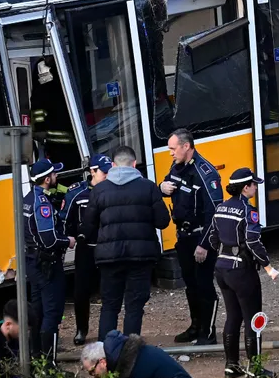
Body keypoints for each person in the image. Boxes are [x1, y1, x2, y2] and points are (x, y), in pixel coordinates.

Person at [83, 146, 171, 338]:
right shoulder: (148, 187)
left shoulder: (99, 190)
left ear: (113, 166)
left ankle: (106, 350)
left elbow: (88, 227)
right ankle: (131, 350)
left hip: (109, 257)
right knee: (134, 307)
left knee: (109, 306)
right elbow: (163, 221)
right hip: (141, 256)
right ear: (134, 164)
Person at [206, 168, 279, 378]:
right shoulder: (248, 210)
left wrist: (225, 252)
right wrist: (268, 266)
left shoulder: (220, 208)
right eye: (254, 184)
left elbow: (212, 238)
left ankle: (231, 366)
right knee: (253, 319)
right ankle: (255, 369)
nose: (256, 187)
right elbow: (253, 241)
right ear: (246, 187)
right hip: (241, 270)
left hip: (222, 268)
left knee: (233, 316)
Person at [160, 129, 221, 345]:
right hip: (183, 236)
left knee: (204, 285)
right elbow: (168, 185)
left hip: (201, 237)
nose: (170, 153)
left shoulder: (206, 173)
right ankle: (195, 326)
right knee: (191, 285)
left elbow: (214, 213)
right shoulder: (177, 167)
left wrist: (204, 244)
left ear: (186, 146)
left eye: (173, 148)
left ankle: (208, 332)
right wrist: (161, 187)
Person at [22, 158, 70, 360]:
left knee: (38, 310)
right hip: (46, 264)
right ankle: (49, 365)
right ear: (47, 179)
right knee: (52, 312)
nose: (57, 176)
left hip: (32, 262)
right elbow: (49, 239)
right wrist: (68, 241)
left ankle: (36, 357)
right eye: (54, 174)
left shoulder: (27, 198)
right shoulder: (41, 203)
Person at [63, 154, 110, 346]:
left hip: (108, 248)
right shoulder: (77, 193)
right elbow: (66, 220)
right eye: (104, 172)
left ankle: (107, 332)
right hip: (86, 249)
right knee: (81, 292)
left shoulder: (113, 188)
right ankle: (81, 329)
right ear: (92, 171)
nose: (107, 175)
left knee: (109, 291)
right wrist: (73, 236)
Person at [83, 332, 200, 378]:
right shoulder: (128, 356)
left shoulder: (134, 371)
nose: (93, 376)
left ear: (102, 362)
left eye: (92, 371)